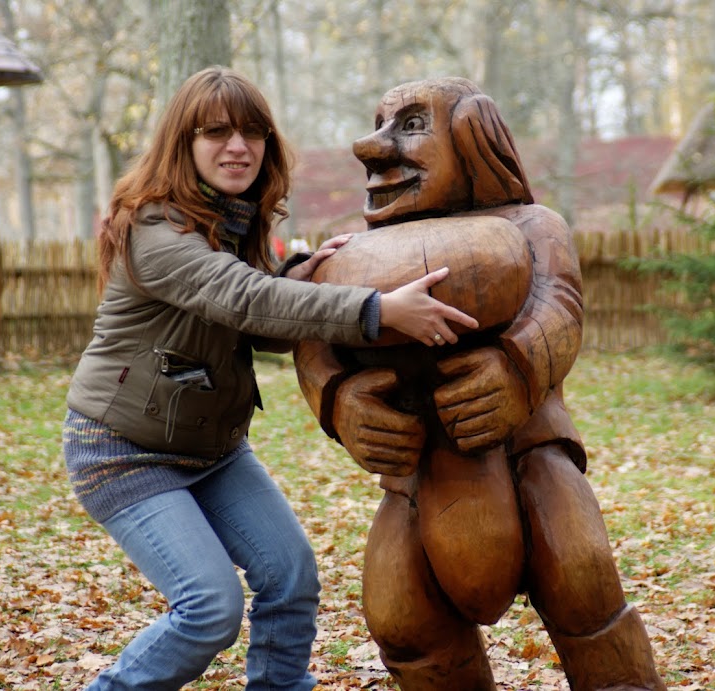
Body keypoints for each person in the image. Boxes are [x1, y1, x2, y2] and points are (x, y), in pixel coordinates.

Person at [61, 65, 478, 691]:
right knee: (208, 611)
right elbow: (242, 299)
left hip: (212, 449)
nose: (238, 147)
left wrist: (307, 272)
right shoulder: (154, 228)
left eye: (252, 133)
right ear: (184, 144)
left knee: (290, 575)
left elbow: (262, 328)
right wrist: (376, 310)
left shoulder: (235, 220)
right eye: (217, 132)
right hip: (125, 452)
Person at [295, 77, 665, 691]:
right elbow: (314, 337)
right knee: (399, 615)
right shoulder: (349, 255)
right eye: (379, 123)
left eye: (410, 126)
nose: (373, 146)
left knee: (581, 574)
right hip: (417, 475)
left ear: (472, 139)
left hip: (530, 455)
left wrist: (516, 368)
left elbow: (561, 308)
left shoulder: (533, 225)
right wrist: (340, 401)